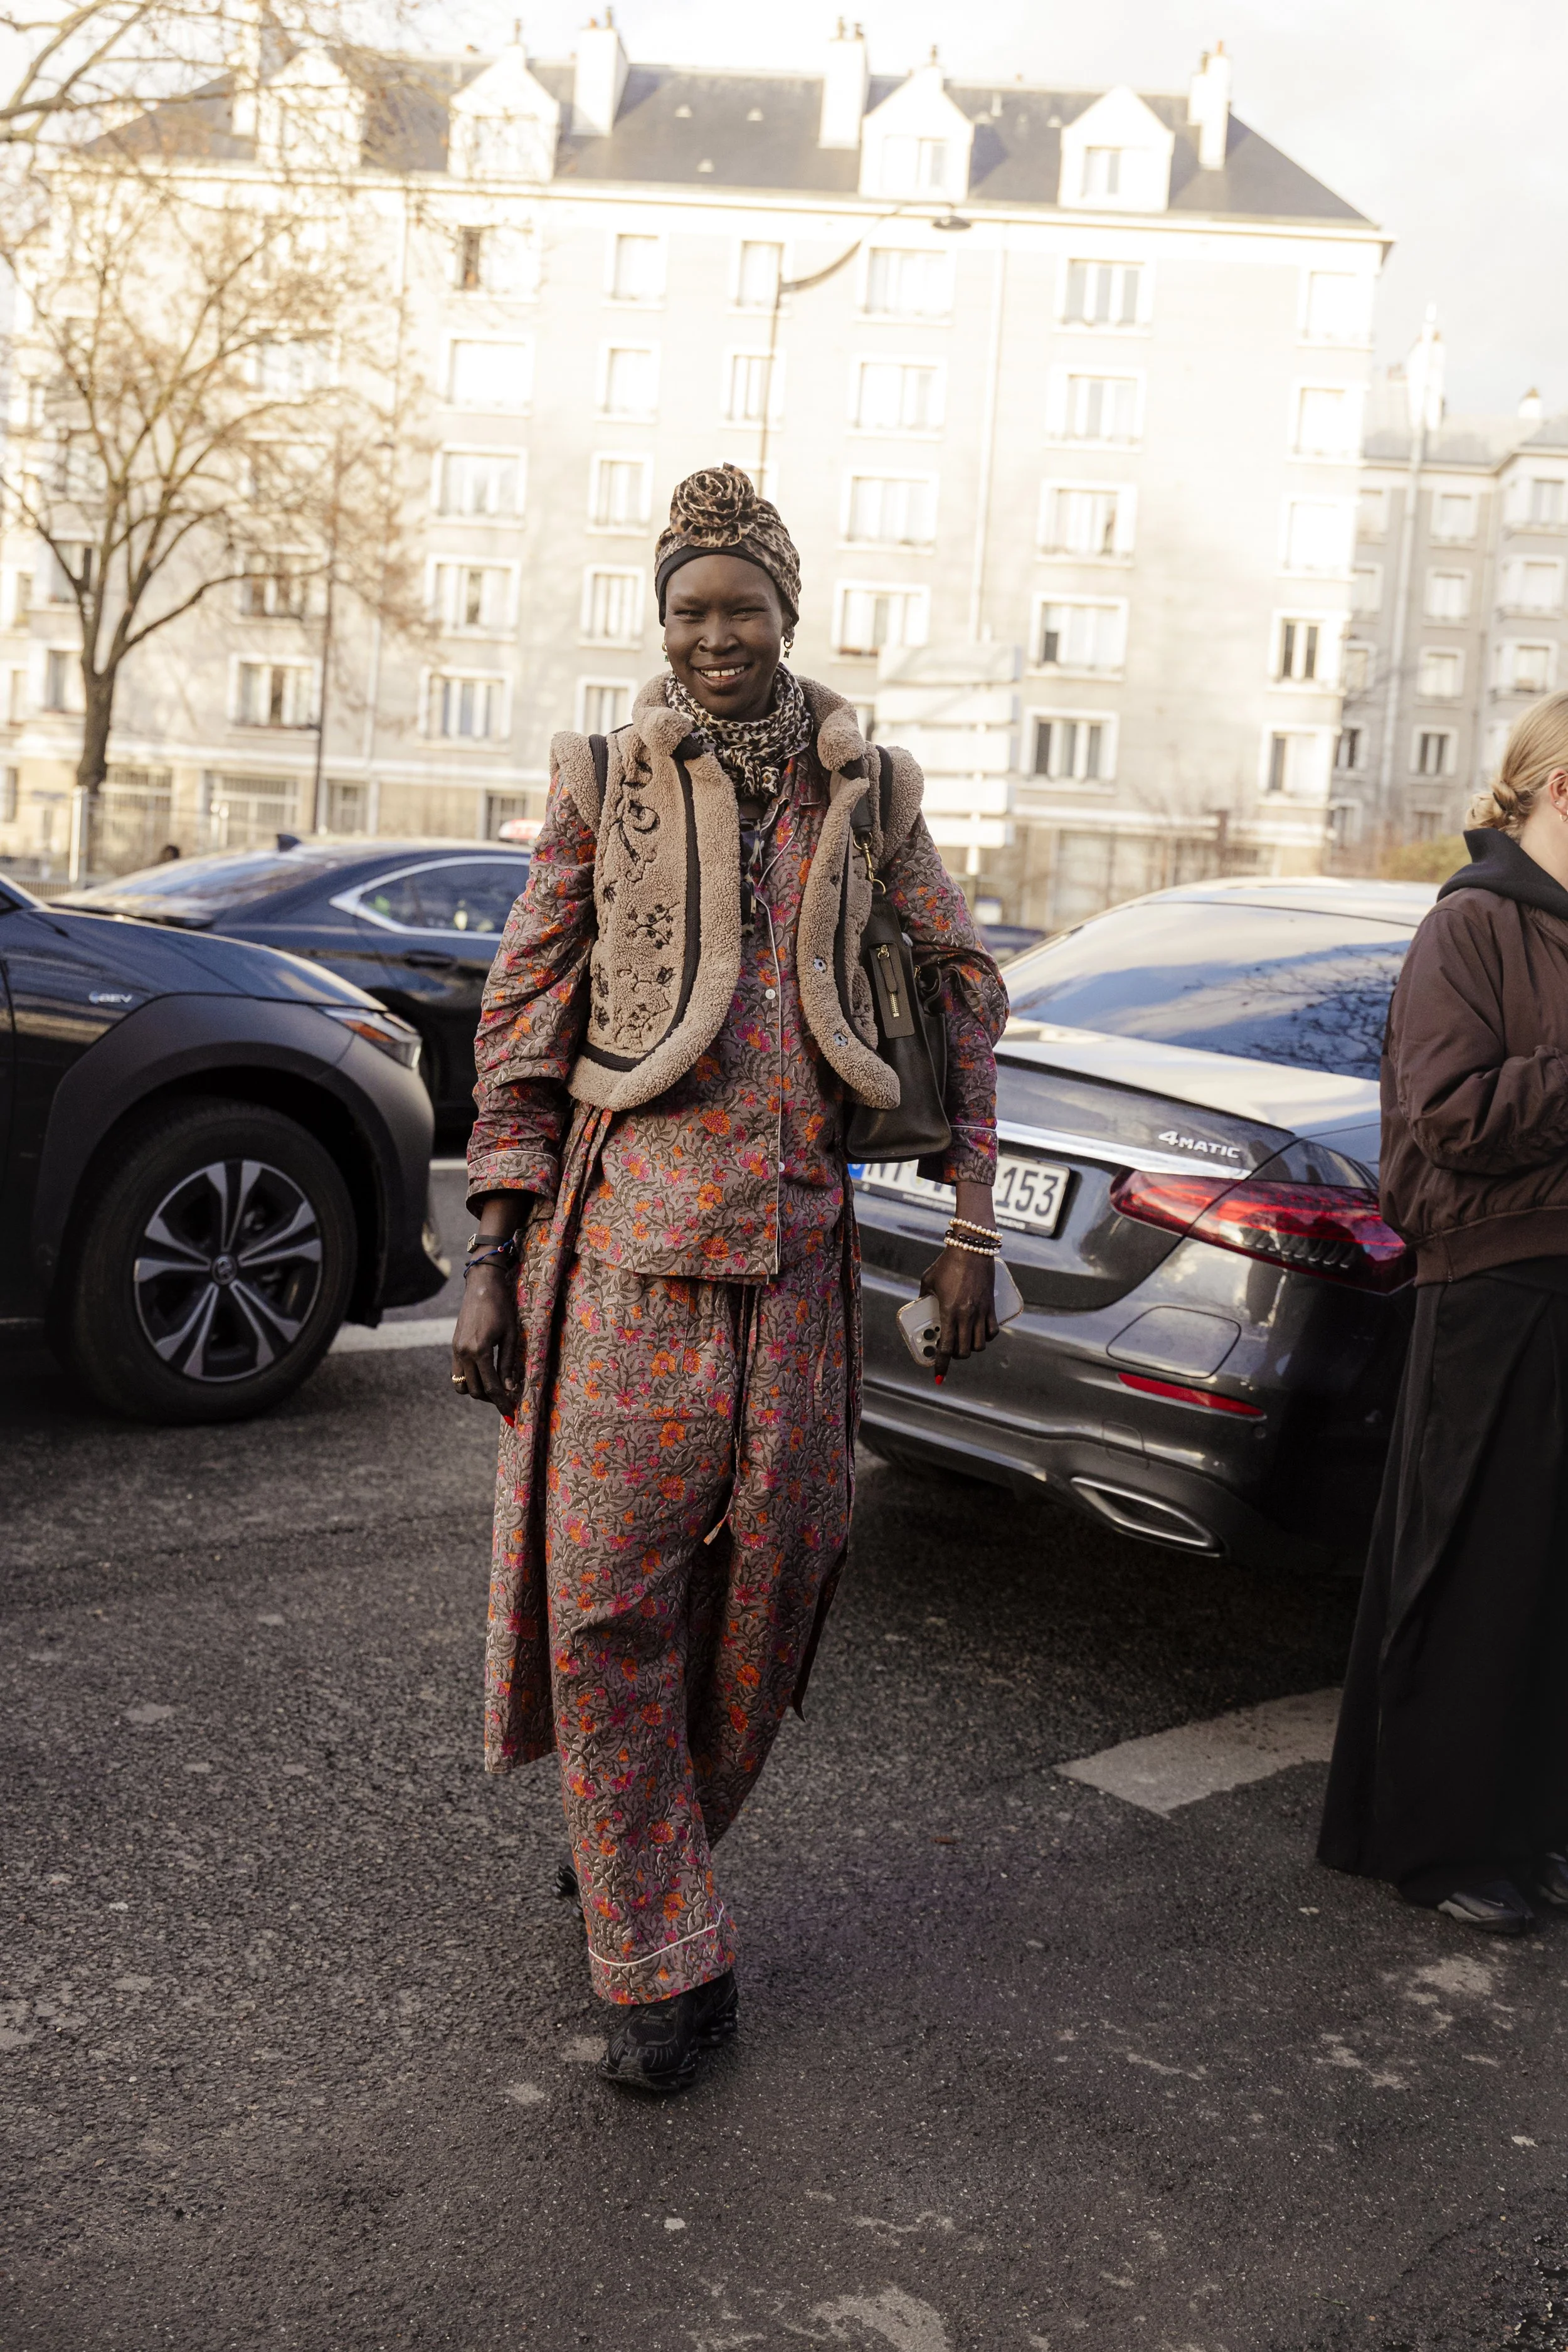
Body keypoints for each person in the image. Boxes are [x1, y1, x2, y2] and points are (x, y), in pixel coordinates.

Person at [450, 464, 1009, 2088]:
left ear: (787, 613)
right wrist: (491, 1249)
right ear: (660, 619)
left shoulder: (869, 791)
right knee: (606, 1607)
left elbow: (963, 986)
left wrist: (971, 1222)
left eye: (741, 608)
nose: (714, 635)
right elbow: (524, 1012)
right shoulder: (603, 780)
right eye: (688, 609)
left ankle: (639, 1836)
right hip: (626, 1258)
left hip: (797, 1267)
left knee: (773, 1597)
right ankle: (657, 1949)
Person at [1320, 691, 1568, 1934]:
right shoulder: (1470, 924)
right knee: (1471, 1571)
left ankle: (1527, 1826)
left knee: (1547, 1582)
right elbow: (1452, 1118)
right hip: (1494, 1291)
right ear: (1563, 787)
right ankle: (1438, 1843)